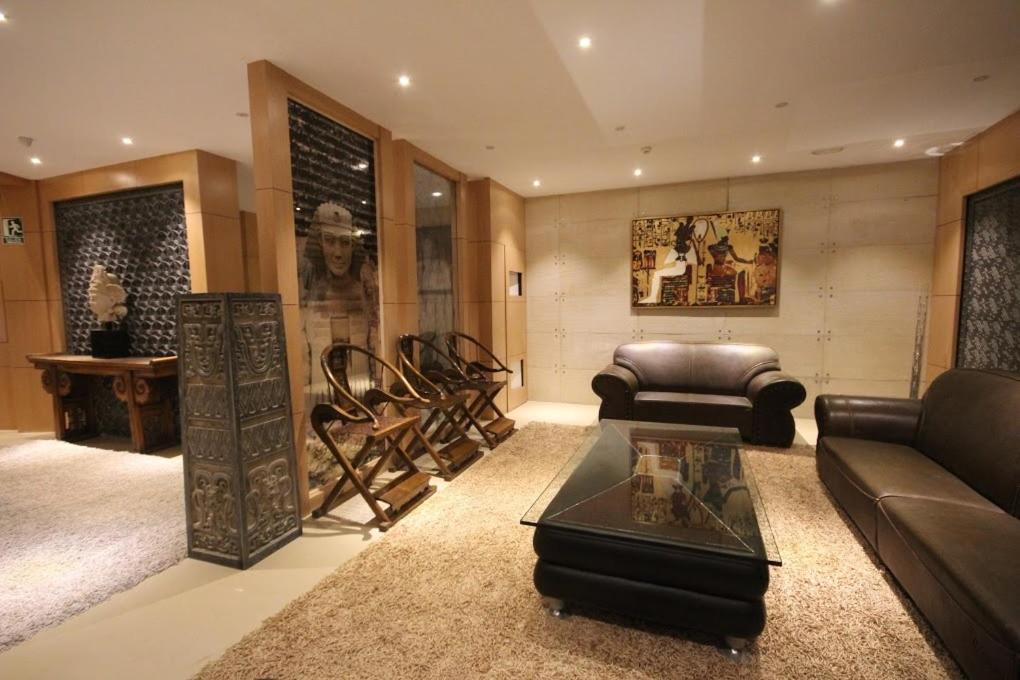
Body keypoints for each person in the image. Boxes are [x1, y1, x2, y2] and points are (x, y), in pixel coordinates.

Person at [298, 202, 380, 440]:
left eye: (345, 243)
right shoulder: (307, 295)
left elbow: (373, 346)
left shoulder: (363, 292)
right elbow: (303, 359)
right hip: (320, 399)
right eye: (330, 241)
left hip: (360, 394)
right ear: (319, 244)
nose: (337, 253)